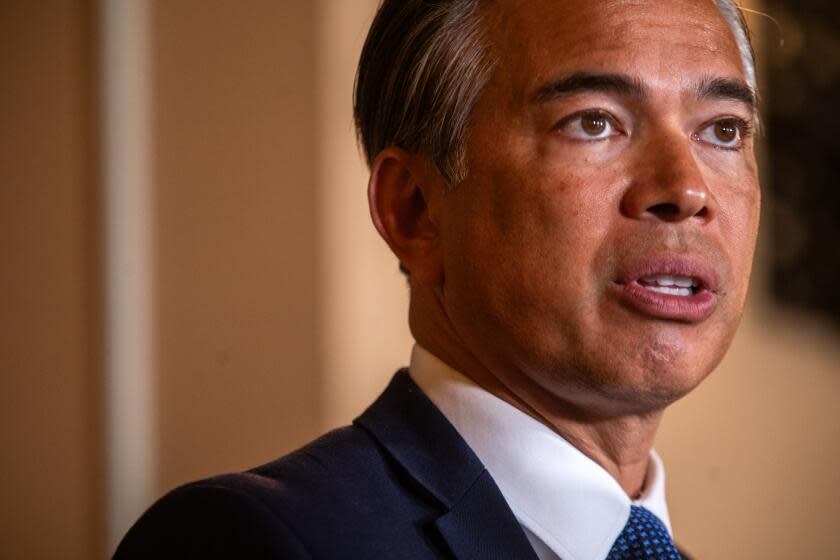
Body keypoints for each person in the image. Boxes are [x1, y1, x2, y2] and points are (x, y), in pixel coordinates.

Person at [115, 0, 760, 558]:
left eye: (724, 131)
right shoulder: (253, 541)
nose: (686, 189)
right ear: (416, 211)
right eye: (593, 122)